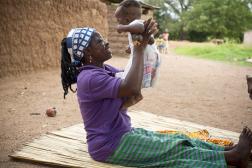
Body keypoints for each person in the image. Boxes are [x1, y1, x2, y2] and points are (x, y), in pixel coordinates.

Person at [60, 20, 252, 168]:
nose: (106, 43)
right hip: (110, 145)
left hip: (122, 134)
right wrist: (139, 48)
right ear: (87, 53)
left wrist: (144, 44)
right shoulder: (89, 78)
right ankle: (232, 158)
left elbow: (135, 80)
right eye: (99, 41)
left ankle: (226, 151)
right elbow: (131, 87)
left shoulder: (102, 70)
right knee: (173, 152)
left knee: (176, 139)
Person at [114, 0, 161, 109]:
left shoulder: (137, 23)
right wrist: (131, 48)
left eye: (118, 19)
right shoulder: (136, 26)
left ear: (127, 19)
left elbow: (140, 29)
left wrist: (122, 28)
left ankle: (135, 95)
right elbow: (144, 41)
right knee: (138, 76)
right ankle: (135, 95)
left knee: (130, 75)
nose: (118, 22)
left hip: (145, 56)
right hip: (148, 55)